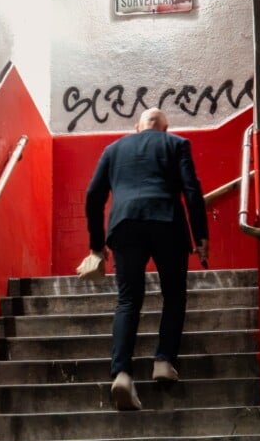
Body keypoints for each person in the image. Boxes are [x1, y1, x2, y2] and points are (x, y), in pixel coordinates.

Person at [84, 107, 209, 410]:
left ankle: (122, 374)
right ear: (164, 129)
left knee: (128, 300)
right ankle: (164, 360)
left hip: (125, 225)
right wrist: (201, 238)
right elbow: (192, 191)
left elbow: (93, 196)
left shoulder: (113, 149)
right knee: (174, 295)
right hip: (168, 223)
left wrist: (97, 246)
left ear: (137, 127)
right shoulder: (177, 144)